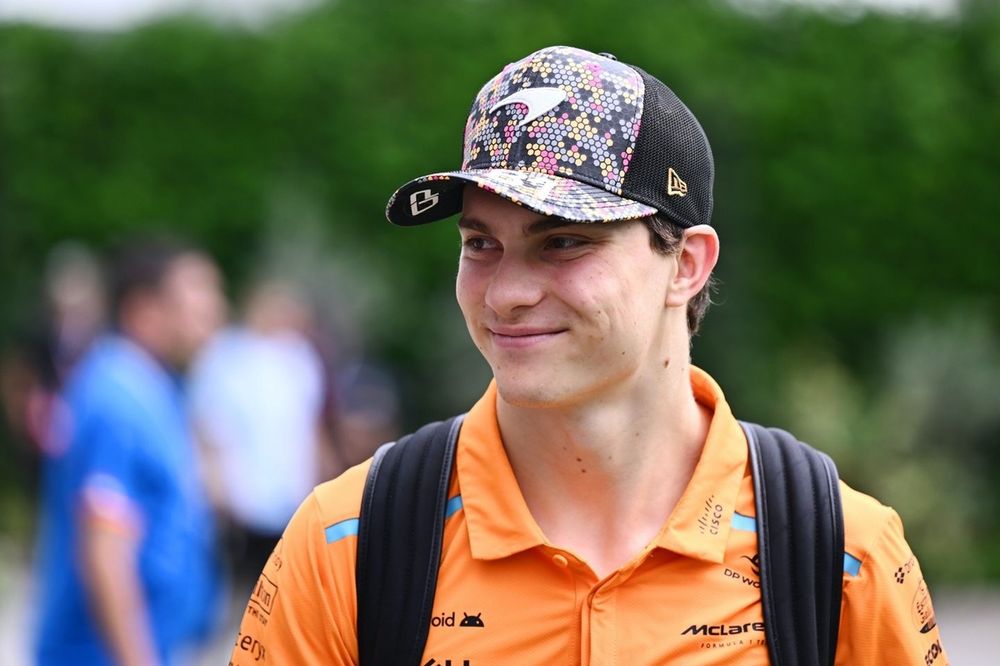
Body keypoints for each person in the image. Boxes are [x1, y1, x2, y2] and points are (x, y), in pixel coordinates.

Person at [229, 46, 948, 664]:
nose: (505, 292)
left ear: (687, 264)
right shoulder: (348, 543)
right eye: (481, 243)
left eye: (563, 241)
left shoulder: (839, 553)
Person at [35, 238, 226, 666]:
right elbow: (105, 549)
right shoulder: (116, 397)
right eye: (199, 293)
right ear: (144, 309)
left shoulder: (154, 386)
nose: (214, 309)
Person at [189, 279, 327, 589]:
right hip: (241, 496)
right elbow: (207, 425)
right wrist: (216, 485)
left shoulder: (301, 359)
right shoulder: (226, 356)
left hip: (289, 493)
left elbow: (310, 425)